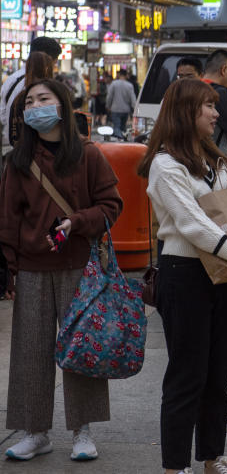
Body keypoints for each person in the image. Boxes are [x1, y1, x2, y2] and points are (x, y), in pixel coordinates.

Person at [138, 78, 227, 474]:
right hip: (186, 275)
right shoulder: (165, 164)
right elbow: (191, 224)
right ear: (184, 113)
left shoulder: (215, 161)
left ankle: (211, 456)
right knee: (186, 376)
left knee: (218, 373)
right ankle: (175, 465)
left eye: (214, 106)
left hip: (224, 274)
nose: (215, 114)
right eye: (207, 107)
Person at [0, 78, 122, 462]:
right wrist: (9, 268)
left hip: (79, 267)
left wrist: (76, 221)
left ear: (62, 105)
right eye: (29, 102)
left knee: (81, 348)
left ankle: (82, 432)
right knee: (30, 352)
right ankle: (36, 432)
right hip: (33, 269)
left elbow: (111, 205)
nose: (35, 106)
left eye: (43, 99)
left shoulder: (87, 154)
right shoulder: (18, 161)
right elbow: (7, 219)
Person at [1, 36, 62, 158]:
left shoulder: (11, 79)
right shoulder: (39, 84)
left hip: (12, 146)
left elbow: (2, 115)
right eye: (54, 62)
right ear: (47, 59)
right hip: (33, 150)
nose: (54, 66)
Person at [5, 51, 55, 150]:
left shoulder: (20, 97)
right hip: (49, 152)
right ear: (47, 68)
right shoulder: (55, 94)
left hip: (23, 151)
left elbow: (13, 130)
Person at [106, 68, 137, 137]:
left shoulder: (114, 84)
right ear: (126, 75)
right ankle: (123, 138)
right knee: (123, 126)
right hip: (125, 110)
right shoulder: (129, 85)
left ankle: (119, 139)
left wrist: (108, 106)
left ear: (119, 75)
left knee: (117, 126)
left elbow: (109, 96)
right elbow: (133, 98)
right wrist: (134, 108)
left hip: (115, 109)